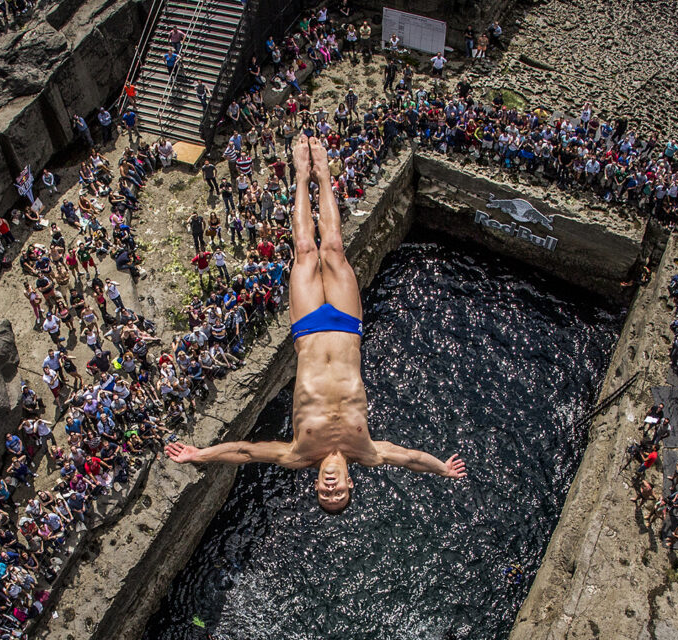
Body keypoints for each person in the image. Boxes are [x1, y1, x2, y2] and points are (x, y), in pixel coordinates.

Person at [166, 136, 466, 514]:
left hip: (307, 330)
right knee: (334, 248)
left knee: (306, 250)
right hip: (345, 327)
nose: (331, 490)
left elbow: (246, 452)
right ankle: (323, 174)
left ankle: (300, 174)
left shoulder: (298, 454)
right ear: (350, 483)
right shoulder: (368, 452)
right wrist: (442, 468)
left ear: (317, 486)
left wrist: (199, 454)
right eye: (339, 494)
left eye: (325, 495)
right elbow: (409, 458)